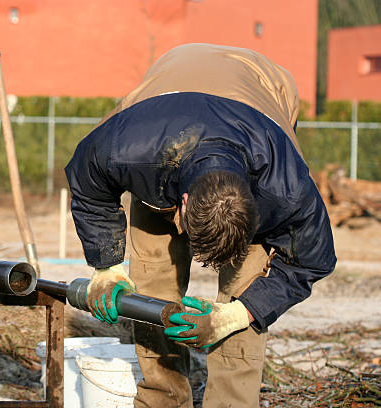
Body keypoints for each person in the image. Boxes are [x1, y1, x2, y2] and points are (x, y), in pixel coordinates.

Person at [65, 43, 336, 407]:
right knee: (151, 284)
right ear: (184, 203)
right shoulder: (125, 150)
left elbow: (313, 259)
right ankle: (163, 397)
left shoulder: (285, 189)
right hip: (165, 103)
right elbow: (88, 183)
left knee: (246, 294)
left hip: (264, 86)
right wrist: (107, 266)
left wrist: (240, 312)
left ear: (256, 209)